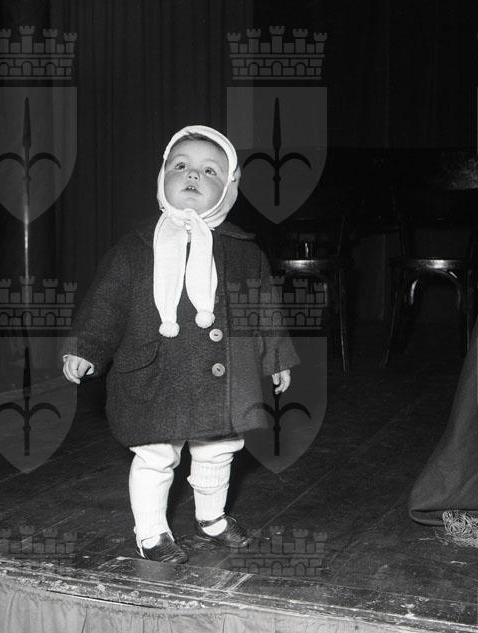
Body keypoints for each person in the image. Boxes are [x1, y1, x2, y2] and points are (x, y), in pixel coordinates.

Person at [61, 125, 299, 564]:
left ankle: (211, 518)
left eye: (210, 171)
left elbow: (262, 309)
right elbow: (106, 303)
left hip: (223, 377)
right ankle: (152, 532)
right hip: (156, 372)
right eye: (181, 165)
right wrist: (86, 347)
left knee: (218, 449)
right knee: (155, 454)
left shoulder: (245, 253)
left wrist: (276, 357)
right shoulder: (134, 249)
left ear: (228, 189)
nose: (193, 175)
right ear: (162, 177)